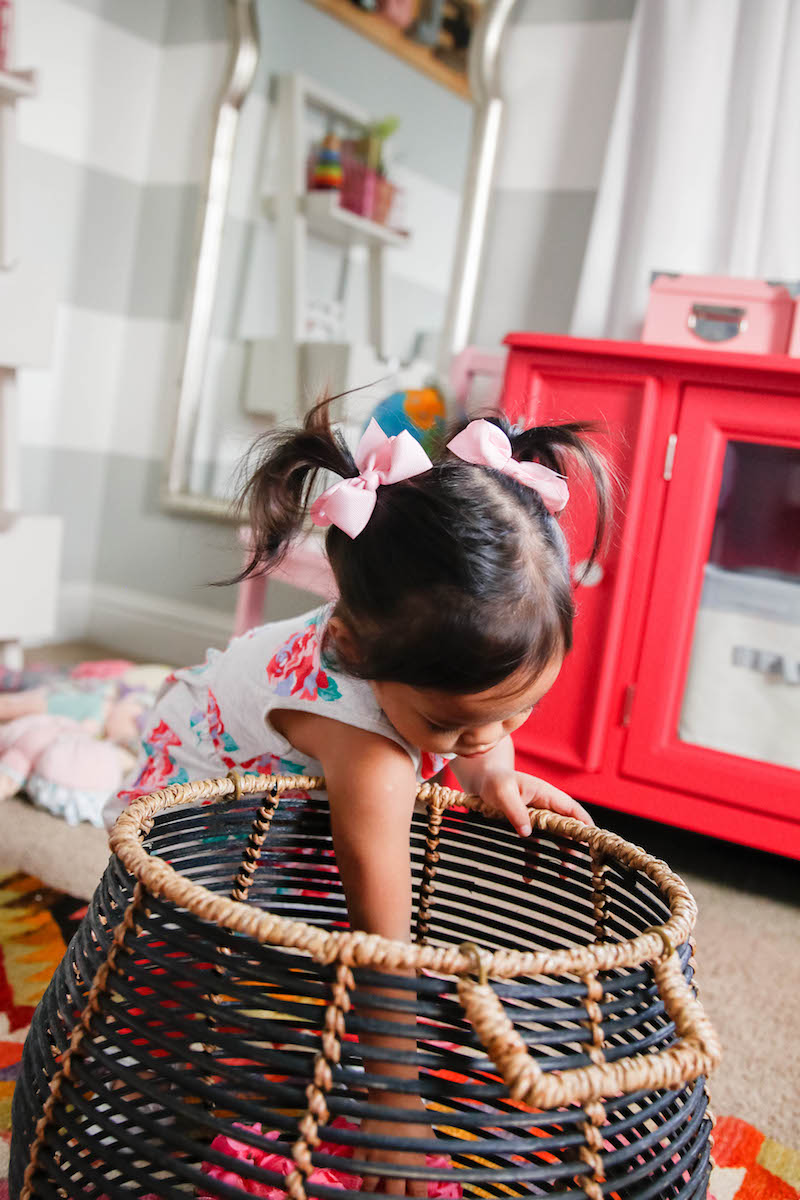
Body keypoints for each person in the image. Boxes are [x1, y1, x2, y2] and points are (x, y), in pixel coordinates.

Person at [103, 398, 611, 1195]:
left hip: (289, 780)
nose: (491, 735)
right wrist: (394, 1101)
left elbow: (482, 724)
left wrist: (491, 771)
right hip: (200, 810)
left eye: (519, 710)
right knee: (202, 989)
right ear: (349, 648)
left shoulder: (410, 659)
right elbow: (384, 943)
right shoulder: (369, 753)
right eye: (453, 724)